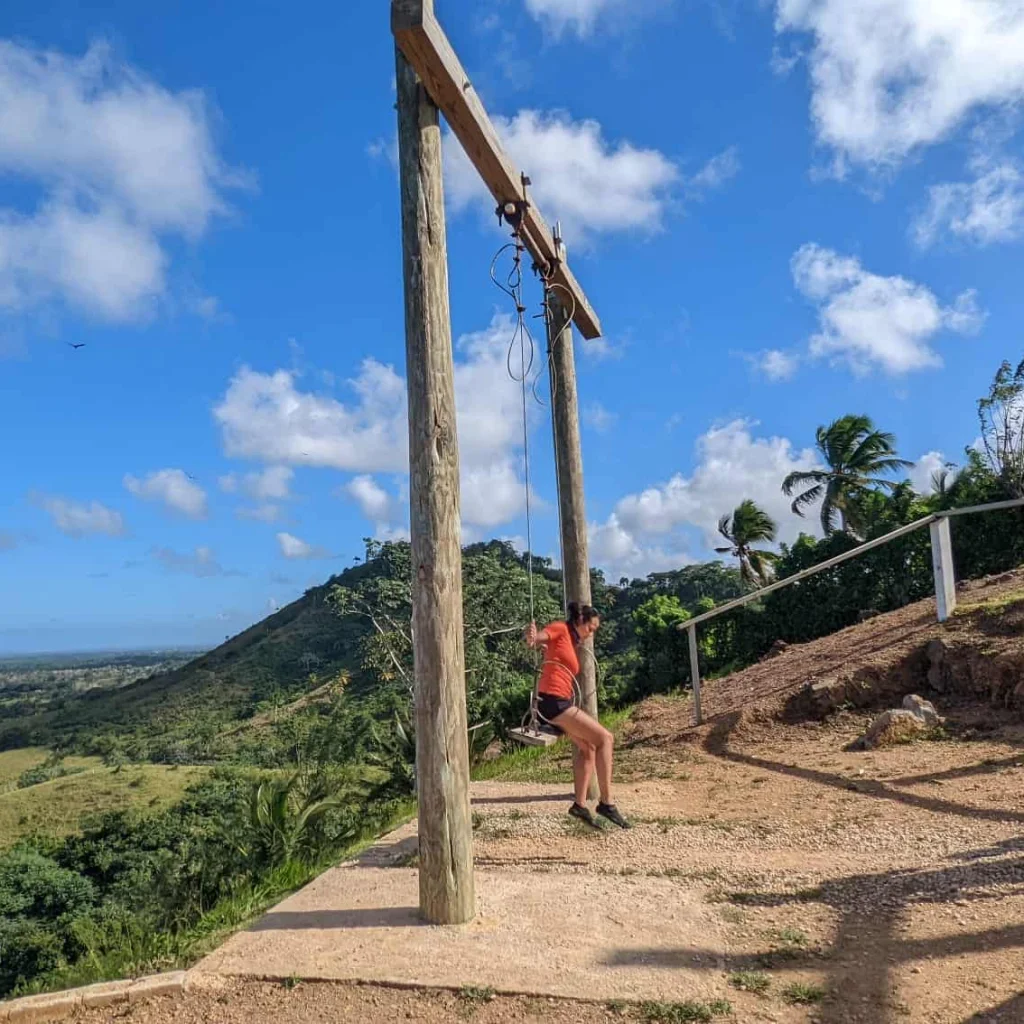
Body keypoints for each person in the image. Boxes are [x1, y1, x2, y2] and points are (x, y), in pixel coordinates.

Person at [525, 603, 630, 830]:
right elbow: (540, 638)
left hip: (560, 701)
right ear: (580, 620)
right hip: (553, 703)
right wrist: (533, 636)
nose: (592, 633)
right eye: (591, 628)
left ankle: (580, 805)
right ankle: (607, 803)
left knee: (588, 749)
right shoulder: (561, 629)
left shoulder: (572, 642)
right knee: (605, 739)